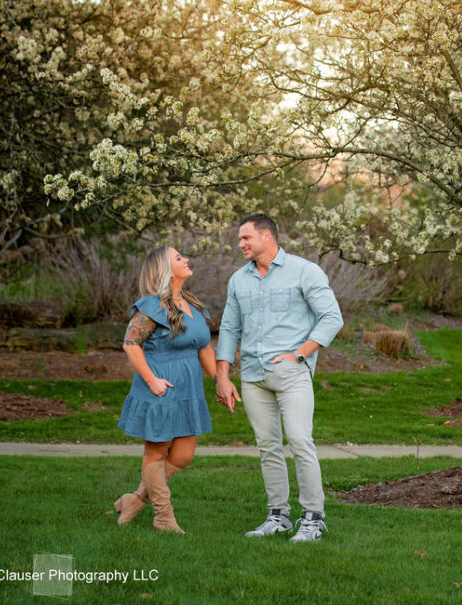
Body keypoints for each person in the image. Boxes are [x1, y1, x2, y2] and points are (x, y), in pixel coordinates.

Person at [215, 214, 343, 542]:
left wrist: (300, 352)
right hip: (252, 377)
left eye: (246, 238)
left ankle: (313, 519)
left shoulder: (304, 271)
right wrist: (222, 375)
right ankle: (278, 517)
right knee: (268, 446)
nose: (240, 244)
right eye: (239, 239)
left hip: (291, 374)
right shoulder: (238, 280)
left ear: (267, 237)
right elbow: (229, 328)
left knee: (300, 441)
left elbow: (332, 317)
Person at [113, 245, 230, 533]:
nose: (186, 259)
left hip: (189, 389)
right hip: (160, 387)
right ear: (164, 269)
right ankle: (163, 516)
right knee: (156, 453)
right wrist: (152, 381)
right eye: (178, 258)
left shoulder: (194, 305)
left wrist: (221, 382)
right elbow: (131, 344)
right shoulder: (151, 305)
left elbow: (204, 348)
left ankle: (136, 499)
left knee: (183, 455)